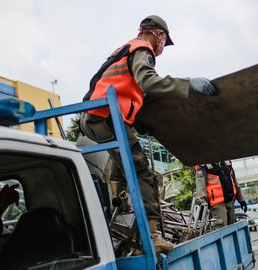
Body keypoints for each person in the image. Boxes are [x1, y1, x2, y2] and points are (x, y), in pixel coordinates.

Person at [79, 15, 218, 253]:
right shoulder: (143, 49)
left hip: (95, 115)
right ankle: (153, 236)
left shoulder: (123, 49)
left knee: (124, 159)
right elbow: (149, 82)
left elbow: (123, 88)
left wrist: (138, 122)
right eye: (164, 39)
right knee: (143, 172)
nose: (163, 45)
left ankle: (118, 199)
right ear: (158, 35)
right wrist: (188, 85)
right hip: (104, 116)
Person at [194, 161, 247, 229]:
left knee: (233, 228)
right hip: (217, 204)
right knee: (222, 229)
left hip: (230, 201)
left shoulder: (227, 162)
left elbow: (235, 182)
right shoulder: (203, 166)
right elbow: (201, 188)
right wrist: (202, 205)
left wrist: (241, 200)